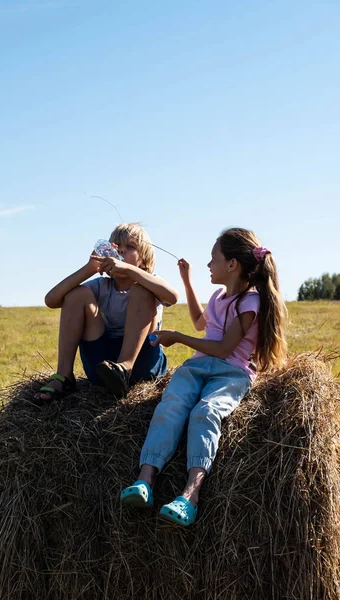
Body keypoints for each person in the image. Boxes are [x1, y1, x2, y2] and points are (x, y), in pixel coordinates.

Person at [120, 227, 287, 526]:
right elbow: (200, 323)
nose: (209, 265)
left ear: (232, 264)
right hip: (197, 367)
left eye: (214, 259)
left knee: (205, 412)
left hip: (232, 372)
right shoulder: (218, 296)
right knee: (171, 404)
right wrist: (187, 280)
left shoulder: (249, 303)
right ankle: (145, 480)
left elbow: (224, 348)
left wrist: (179, 338)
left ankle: (190, 495)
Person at [35, 223, 179, 402]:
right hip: (102, 367)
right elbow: (51, 300)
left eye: (130, 247)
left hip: (143, 363)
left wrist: (129, 270)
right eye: (117, 247)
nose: (121, 252)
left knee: (141, 291)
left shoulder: (150, 282)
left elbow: (172, 297)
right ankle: (64, 375)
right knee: (77, 294)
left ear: (143, 259)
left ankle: (125, 368)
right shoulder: (101, 286)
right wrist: (89, 269)